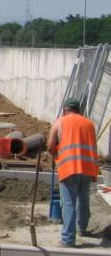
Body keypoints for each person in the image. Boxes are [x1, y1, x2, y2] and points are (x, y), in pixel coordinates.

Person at [46, 97, 99, 247]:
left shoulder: (60, 122)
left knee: (68, 204)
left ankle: (68, 239)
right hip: (88, 168)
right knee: (83, 200)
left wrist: (56, 155)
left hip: (69, 168)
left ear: (65, 110)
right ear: (79, 110)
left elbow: (50, 146)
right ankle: (82, 228)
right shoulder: (89, 124)